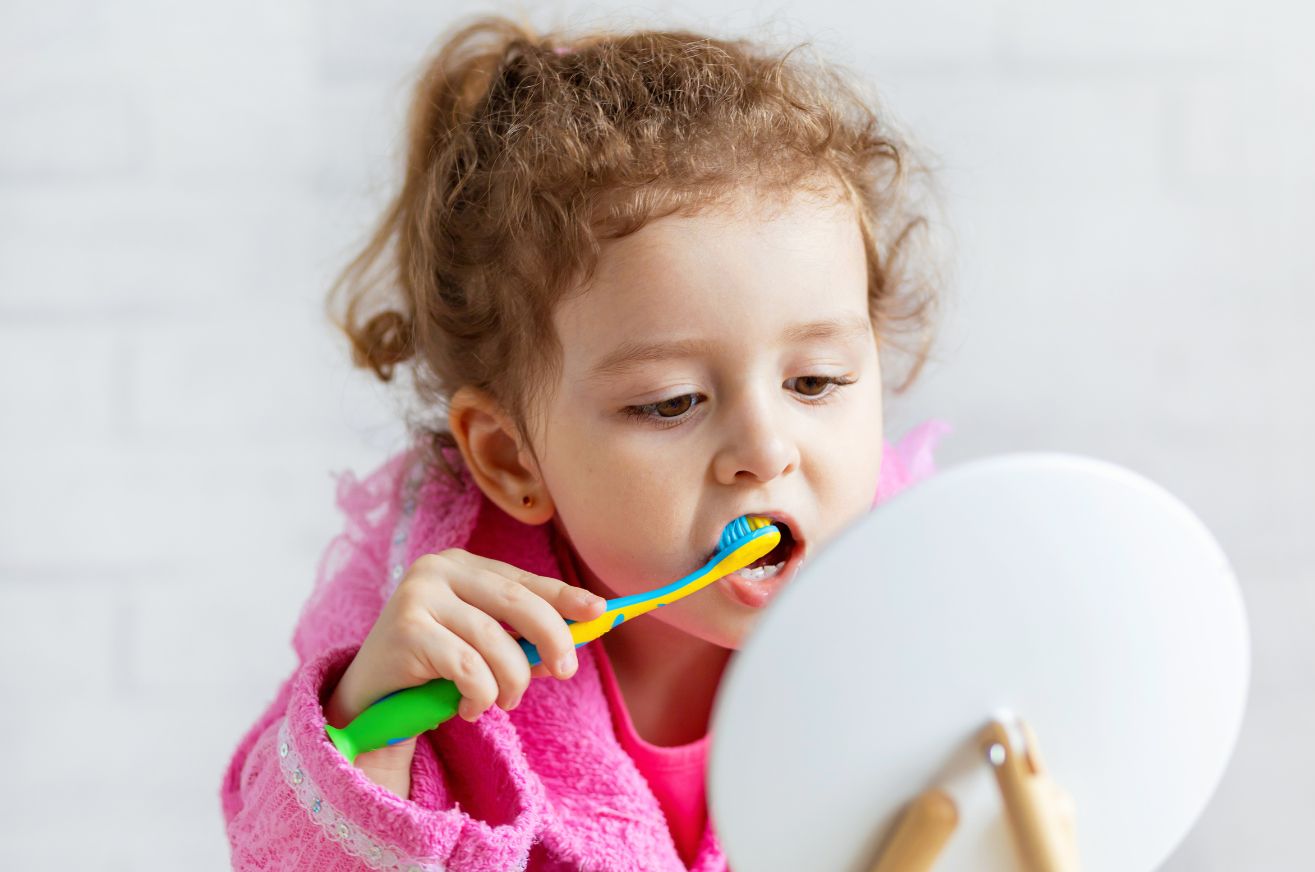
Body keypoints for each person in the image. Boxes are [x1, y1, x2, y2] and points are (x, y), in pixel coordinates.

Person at [220, 12, 954, 871]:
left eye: (815, 383)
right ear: (509, 457)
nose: (766, 449)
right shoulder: (426, 641)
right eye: (672, 401)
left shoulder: (927, 607)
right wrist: (368, 731)